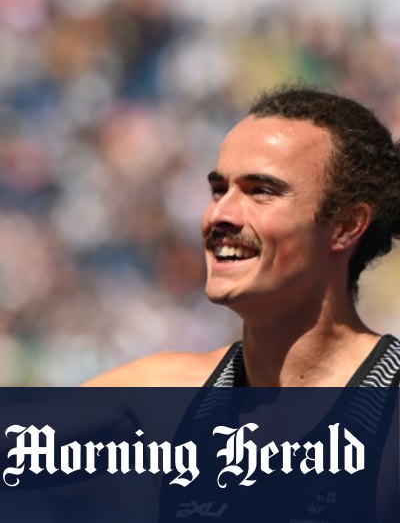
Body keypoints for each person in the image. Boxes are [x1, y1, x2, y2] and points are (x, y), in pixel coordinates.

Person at [87, 86, 400, 387]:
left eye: (261, 192)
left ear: (346, 225)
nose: (219, 215)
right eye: (219, 190)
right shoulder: (158, 394)